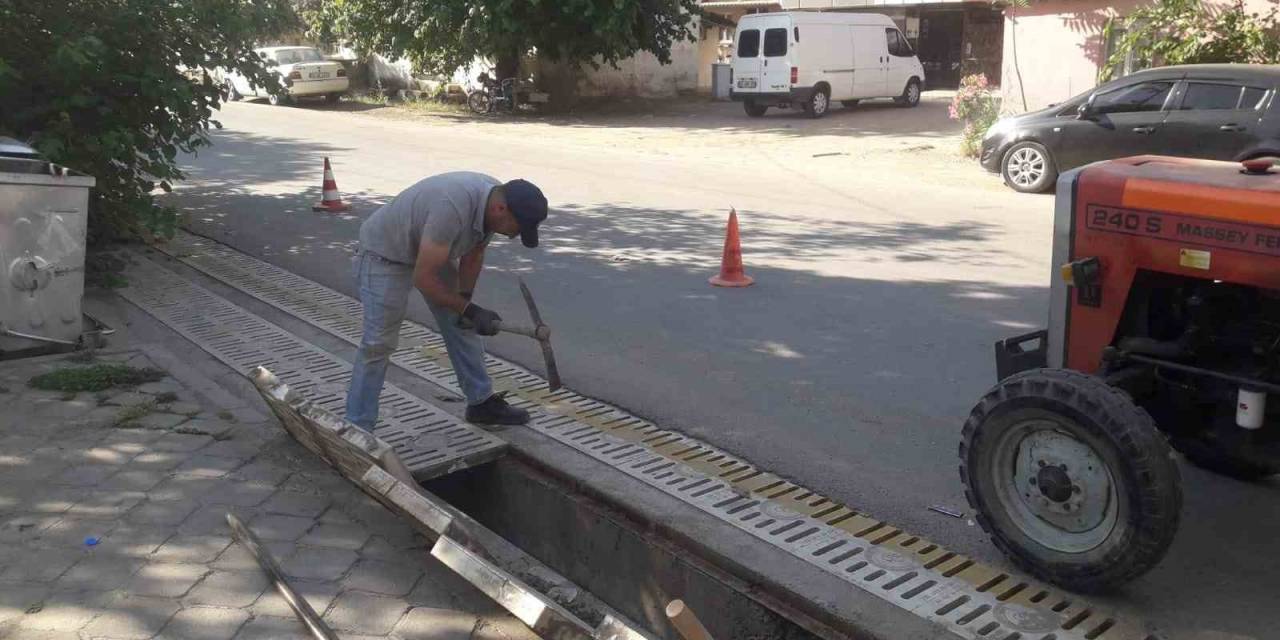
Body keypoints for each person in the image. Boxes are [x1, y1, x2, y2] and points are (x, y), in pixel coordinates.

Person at [345, 172, 548, 431]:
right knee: (378, 344)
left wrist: (464, 304)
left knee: (462, 326)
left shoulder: (493, 202)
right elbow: (423, 279)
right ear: (501, 209)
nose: (514, 236)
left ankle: (481, 404)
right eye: (517, 228)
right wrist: (471, 310)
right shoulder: (452, 207)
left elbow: (475, 252)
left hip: (430, 248)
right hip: (385, 256)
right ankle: (357, 427)